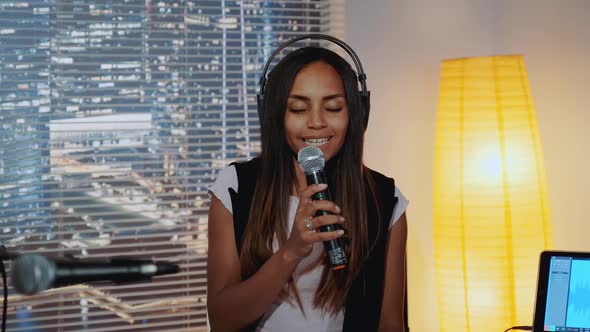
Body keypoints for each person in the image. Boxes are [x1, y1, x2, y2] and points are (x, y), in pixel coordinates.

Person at [206, 45, 408, 332]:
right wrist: (291, 251)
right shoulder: (235, 187)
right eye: (299, 108)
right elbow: (222, 320)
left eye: (333, 107)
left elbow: (390, 325)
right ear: (274, 115)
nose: (316, 122)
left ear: (357, 113)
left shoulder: (384, 199)